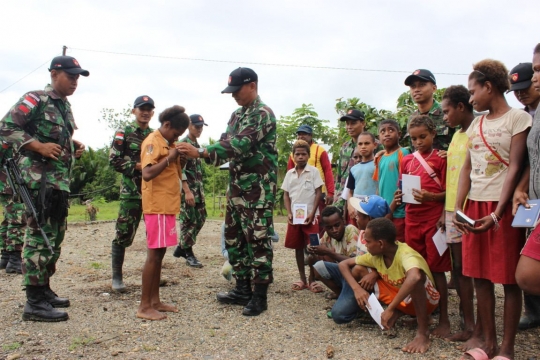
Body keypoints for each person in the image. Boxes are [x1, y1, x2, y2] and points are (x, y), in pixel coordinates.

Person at [177, 67, 277, 316]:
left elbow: (240, 143)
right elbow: (225, 144)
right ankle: (242, 289)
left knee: (258, 240)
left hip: (258, 189)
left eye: (237, 90)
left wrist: (200, 152)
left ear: (252, 85)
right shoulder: (236, 115)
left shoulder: (263, 114)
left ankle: (260, 295)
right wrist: (197, 155)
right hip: (236, 188)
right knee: (234, 238)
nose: (233, 95)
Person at [0, 55, 88, 322]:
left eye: (77, 78)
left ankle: (44, 288)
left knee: (55, 236)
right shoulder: (36, 99)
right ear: (54, 74)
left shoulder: (64, 106)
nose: (74, 82)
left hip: (58, 183)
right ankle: (34, 302)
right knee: (40, 237)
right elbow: (6, 127)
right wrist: (37, 147)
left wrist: (74, 146)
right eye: (70, 76)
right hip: (39, 182)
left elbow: (57, 138)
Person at [454, 59, 531, 360]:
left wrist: (498, 213)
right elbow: (466, 169)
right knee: (479, 276)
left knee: (509, 278)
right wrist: (459, 207)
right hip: (474, 206)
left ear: (489, 87)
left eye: (473, 91)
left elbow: (515, 167)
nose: (471, 98)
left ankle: (508, 348)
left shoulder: (518, 119)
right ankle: (488, 341)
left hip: (504, 207)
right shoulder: (477, 123)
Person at [338, 218, 439, 354]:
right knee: (358, 269)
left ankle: (423, 333)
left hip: (427, 302)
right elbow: (342, 265)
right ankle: (394, 312)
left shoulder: (406, 254)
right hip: (404, 301)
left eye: (367, 241)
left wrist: (390, 309)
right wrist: (357, 289)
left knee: (415, 280)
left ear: (380, 243)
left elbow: (415, 277)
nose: (365, 244)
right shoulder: (377, 256)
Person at [137, 105, 189, 321]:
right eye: (175, 133)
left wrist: (180, 155)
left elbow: (174, 171)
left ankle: (155, 301)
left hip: (168, 206)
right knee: (154, 255)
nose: (176, 138)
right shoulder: (152, 142)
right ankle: (144, 306)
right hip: (156, 205)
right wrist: (171, 156)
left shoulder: (168, 143)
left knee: (161, 254)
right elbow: (147, 173)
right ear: (166, 125)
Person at [437, 85, 476, 342]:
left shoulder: (477, 131)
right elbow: (452, 175)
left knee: (471, 268)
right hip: (452, 209)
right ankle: (468, 323)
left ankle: (475, 325)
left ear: (461, 107)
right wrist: (445, 210)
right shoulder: (456, 135)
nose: (444, 117)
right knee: (459, 268)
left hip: (470, 208)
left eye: (447, 111)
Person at [109, 95, 154, 292]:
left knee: (154, 236)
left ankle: (151, 275)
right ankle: (117, 277)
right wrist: (139, 166)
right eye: (141, 108)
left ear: (153, 112)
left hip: (153, 193)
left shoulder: (156, 136)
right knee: (124, 233)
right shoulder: (124, 132)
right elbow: (114, 161)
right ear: (133, 111)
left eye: (149, 109)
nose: (145, 112)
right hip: (131, 193)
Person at [309, 197, 387, 301]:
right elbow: (319, 249)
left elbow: (355, 263)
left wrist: (328, 252)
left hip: (355, 275)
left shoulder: (351, 230)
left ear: (343, 221)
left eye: (337, 225)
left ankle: (348, 297)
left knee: (340, 314)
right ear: (325, 228)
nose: (334, 230)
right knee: (316, 262)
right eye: (330, 228)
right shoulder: (328, 235)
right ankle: (341, 294)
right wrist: (312, 248)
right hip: (344, 272)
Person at [514, 46, 540, 330]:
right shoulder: (524, 118)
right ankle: (534, 311)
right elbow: (529, 163)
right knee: (527, 253)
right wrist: (521, 188)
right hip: (531, 199)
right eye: (517, 90)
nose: (522, 92)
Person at [282, 140, 323, 292]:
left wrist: (312, 213)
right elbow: (286, 195)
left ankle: (313, 279)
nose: (300, 157)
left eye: (303, 154)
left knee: (313, 247)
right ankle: (302, 278)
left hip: (312, 218)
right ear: (293, 156)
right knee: (298, 247)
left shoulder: (313, 172)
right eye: (297, 154)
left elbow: (319, 192)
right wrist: (289, 213)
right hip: (295, 219)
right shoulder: (289, 174)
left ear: (308, 155)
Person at [172, 114, 208, 268]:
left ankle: (181, 247)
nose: (199, 129)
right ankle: (188, 253)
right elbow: (180, 170)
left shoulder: (196, 146)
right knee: (189, 221)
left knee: (201, 218)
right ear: (189, 126)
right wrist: (186, 191)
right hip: (187, 190)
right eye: (196, 126)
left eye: (201, 126)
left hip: (197, 190)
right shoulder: (182, 145)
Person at [287, 124, 335, 234]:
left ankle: (317, 248)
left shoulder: (320, 150)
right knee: (299, 224)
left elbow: (328, 171)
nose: (301, 136)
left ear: (311, 135)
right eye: (299, 134)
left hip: (317, 193)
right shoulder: (292, 153)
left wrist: (330, 193)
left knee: (317, 223)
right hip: (299, 195)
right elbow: (289, 173)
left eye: (304, 134)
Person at [373, 119, 410, 241]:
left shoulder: (403, 153)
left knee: (399, 246)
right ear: (379, 137)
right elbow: (379, 185)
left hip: (398, 213)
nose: (387, 133)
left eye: (391, 130)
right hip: (385, 213)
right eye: (383, 131)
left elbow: (403, 185)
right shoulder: (380, 158)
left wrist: (391, 209)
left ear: (399, 134)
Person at [404, 69, 454, 150]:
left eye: (422, 85)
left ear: (434, 88)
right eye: (413, 86)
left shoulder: (447, 111)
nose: (416, 89)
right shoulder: (411, 119)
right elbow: (412, 149)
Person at [0, 143, 26, 274]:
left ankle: (5, 257)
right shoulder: (6, 136)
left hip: (6, 184)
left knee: (9, 219)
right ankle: (14, 260)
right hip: (11, 184)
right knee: (17, 219)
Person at [334, 109, 366, 211]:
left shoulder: (374, 145)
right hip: (341, 198)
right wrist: (336, 196)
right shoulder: (345, 146)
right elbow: (339, 175)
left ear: (363, 123)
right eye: (347, 124)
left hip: (360, 196)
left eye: (353, 123)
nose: (349, 127)